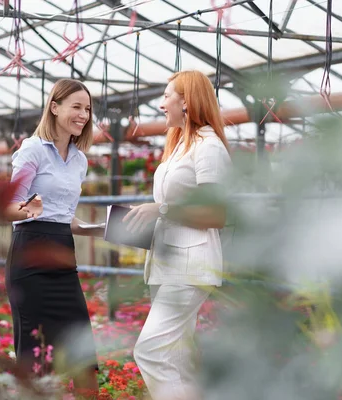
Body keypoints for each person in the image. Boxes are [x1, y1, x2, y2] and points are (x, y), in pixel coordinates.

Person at [123, 70, 232, 400]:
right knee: (177, 356)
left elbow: (217, 214)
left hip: (190, 266)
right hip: (168, 264)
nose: (160, 105)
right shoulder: (180, 147)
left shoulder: (209, 148)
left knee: (150, 352)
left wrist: (162, 210)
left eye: (166, 96)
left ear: (186, 101)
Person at [4, 79, 103, 390]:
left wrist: (93, 228)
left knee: (84, 357)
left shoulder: (79, 160)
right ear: (54, 107)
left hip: (62, 256)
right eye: (76, 107)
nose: (83, 115)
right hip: (30, 257)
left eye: (87, 109)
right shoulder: (32, 150)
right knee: (34, 357)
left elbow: (62, 215)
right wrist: (28, 208)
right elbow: (7, 208)